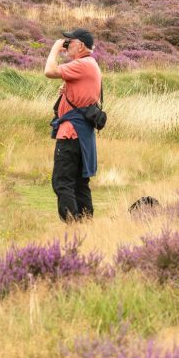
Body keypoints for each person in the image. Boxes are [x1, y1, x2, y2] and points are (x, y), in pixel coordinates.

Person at [44, 28, 102, 222]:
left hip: (70, 132)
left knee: (62, 183)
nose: (67, 44)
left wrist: (54, 50)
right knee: (79, 183)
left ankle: (72, 226)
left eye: (71, 41)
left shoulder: (82, 64)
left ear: (82, 46)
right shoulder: (90, 64)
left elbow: (49, 71)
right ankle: (85, 224)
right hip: (82, 133)